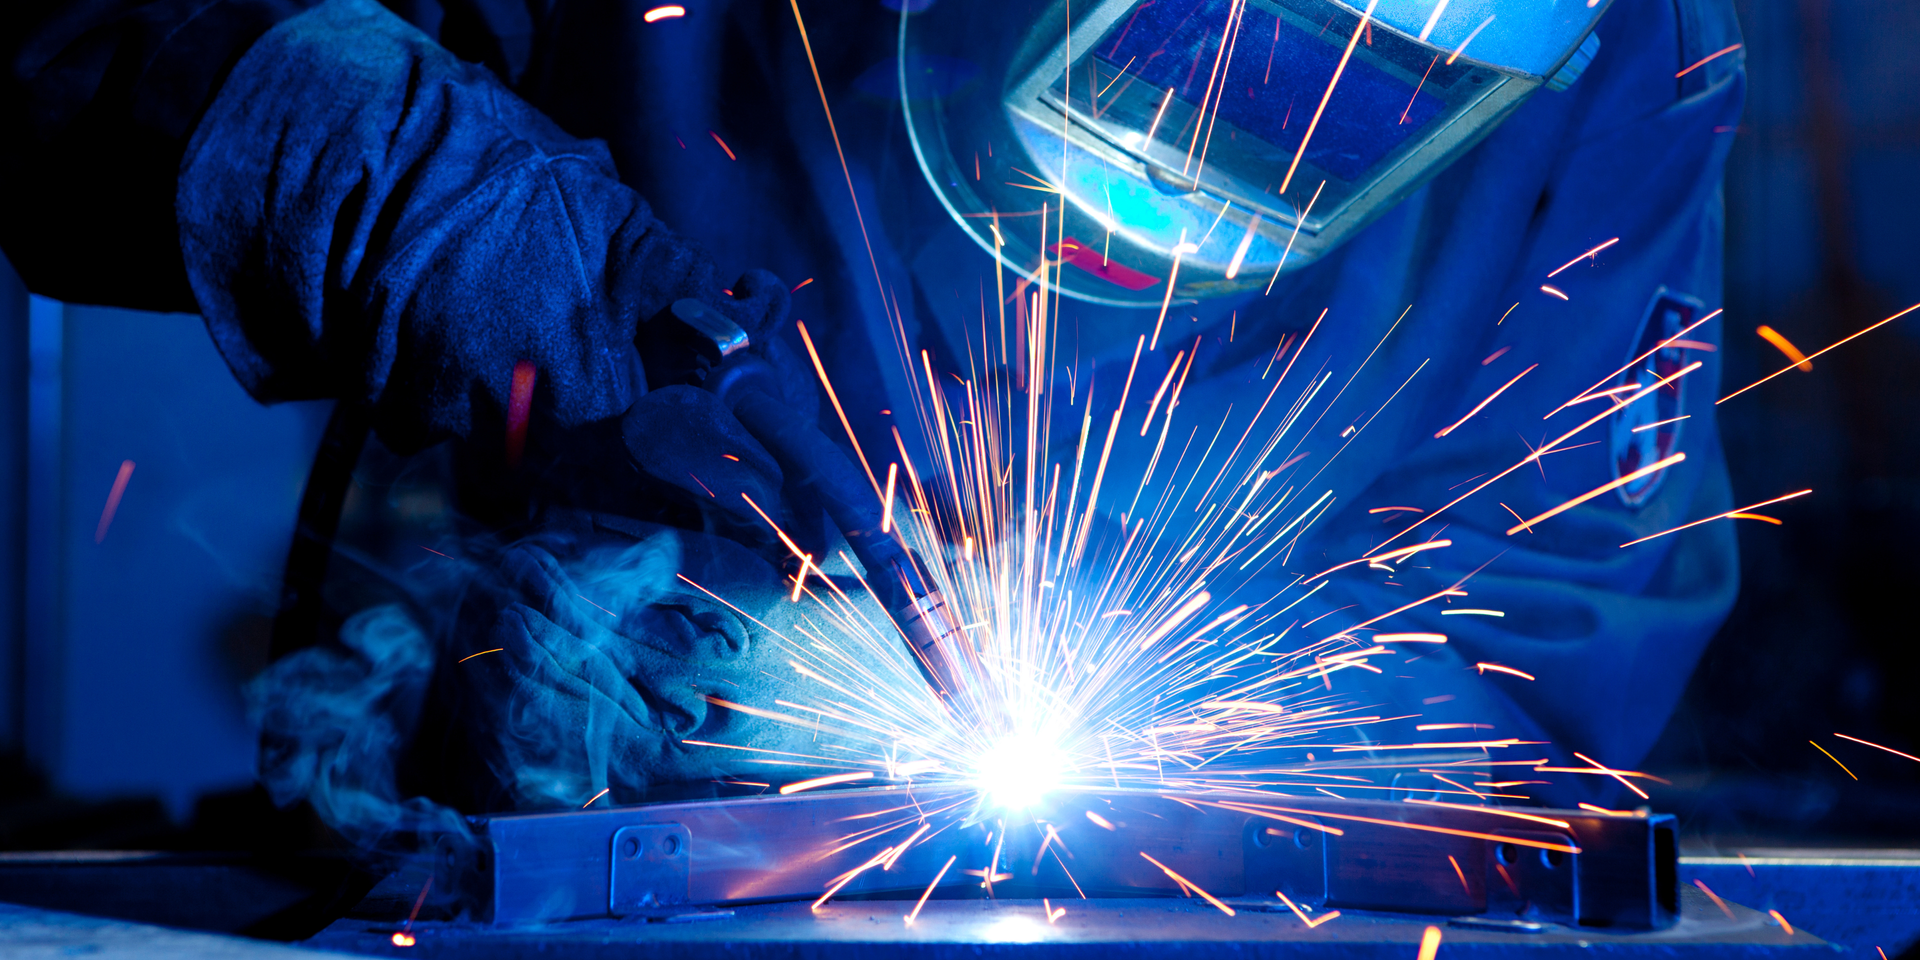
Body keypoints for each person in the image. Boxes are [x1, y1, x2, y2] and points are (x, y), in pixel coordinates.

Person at [2, 0, 1744, 878]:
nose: (1176, 178)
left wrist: (1102, 746)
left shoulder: (1626, 64)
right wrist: (374, 156)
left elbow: (1535, 680)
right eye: (1173, 62)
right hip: (519, 839)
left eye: (1351, 104)